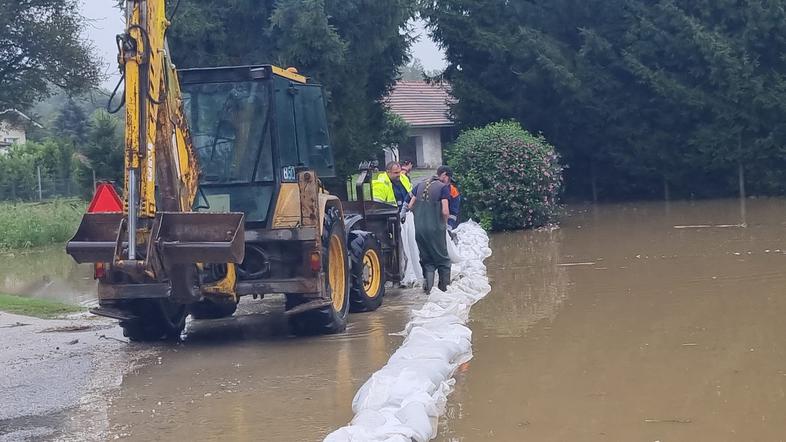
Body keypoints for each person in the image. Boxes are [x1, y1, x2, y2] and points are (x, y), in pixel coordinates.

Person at [406, 165, 453, 292]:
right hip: (435, 229)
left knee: (427, 261)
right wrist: (444, 224)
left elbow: (410, 206)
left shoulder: (420, 185)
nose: (448, 181)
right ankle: (444, 291)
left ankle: (428, 291)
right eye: (448, 178)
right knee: (443, 261)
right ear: (444, 175)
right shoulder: (443, 188)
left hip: (419, 229)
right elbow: (445, 210)